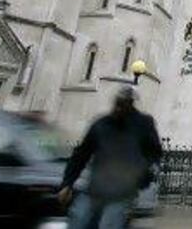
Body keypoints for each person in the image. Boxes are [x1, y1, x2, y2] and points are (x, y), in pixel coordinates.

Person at [58, 85, 162, 229]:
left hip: (121, 193)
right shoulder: (101, 125)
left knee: (109, 224)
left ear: (131, 104)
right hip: (95, 189)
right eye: (118, 102)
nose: (120, 107)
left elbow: (154, 154)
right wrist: (68, 183)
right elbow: (81, 155)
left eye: (125, 103)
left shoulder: (143, 124)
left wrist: (142, 177)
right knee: (78, 221)